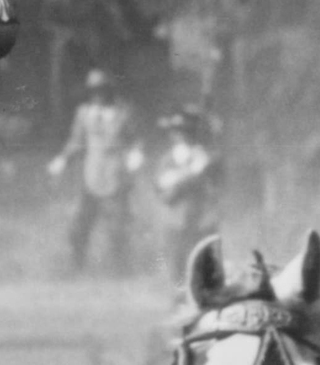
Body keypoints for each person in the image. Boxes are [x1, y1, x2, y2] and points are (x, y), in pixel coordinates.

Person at [48, 68, 143, 274]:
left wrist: (135, 155)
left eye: (102, 90)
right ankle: (77, 266)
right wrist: (63, 159)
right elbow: (76, 141)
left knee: (117, 228)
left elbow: (135, 139)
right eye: (93, 91)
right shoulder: (84, 113)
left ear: (109, 90)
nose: (97, 95)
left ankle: (121, 271)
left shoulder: (123, 112)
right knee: (78, 227)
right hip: (90, 176)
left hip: (115, 175)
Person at [154, 106, 221, 286]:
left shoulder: (207, 156)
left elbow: (216, 183)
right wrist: (191, 172)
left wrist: (206, 163)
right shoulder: (168, 159)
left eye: (187, 131)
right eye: (178, 131)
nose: (182, 135)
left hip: (202, 219)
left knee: (206, 265)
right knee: (177, 266)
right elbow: (163, 186)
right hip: (177, 220)